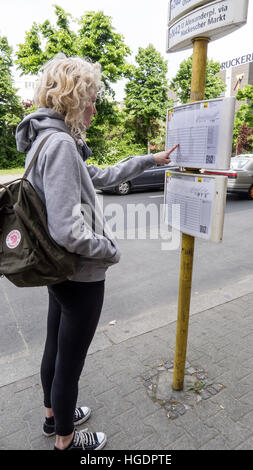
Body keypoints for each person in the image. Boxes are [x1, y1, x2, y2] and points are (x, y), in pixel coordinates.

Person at [15, 54, 178, 451]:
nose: (93, 107)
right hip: (80, 275)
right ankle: (68, 442)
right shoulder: (62, 146)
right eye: (90, 98)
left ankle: (55, 419)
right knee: (70, 363)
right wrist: (108, 249)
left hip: (57, 272)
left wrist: (148, 160)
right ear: (72, 100)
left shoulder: (44, 141)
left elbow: (101, 177)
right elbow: (68, 229)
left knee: (55, 345)